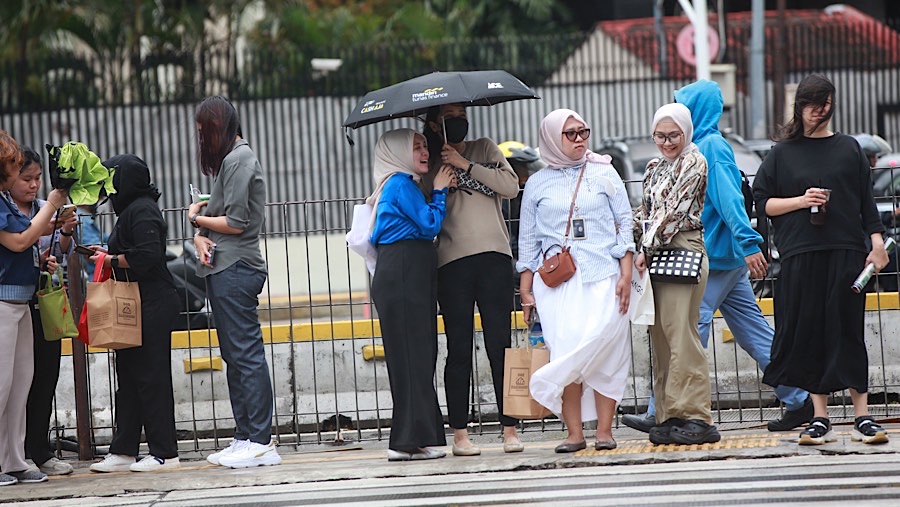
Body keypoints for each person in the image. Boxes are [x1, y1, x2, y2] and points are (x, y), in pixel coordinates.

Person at [622, 80, 813, 434]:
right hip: (722, 256)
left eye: (683, 104)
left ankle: (660, 409)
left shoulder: (709, 147)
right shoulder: (701, 145)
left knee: (686, 331)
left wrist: (748, 242)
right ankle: (800, 397)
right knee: (752, 331)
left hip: (711, 255)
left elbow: (729, 200)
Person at [752, 74, 890, 445]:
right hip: (801, 253)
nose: (819, 111)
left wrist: (876, 244)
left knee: (848, 329)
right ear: (800, 106)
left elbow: (866, 204)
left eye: (825, 103)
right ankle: (819, 417)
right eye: (812, 104)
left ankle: (862, 414)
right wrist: (801, 200)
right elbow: (762, 201)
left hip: (846, 249)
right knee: (810, 330)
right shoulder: (782, 153)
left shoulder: (848, 148)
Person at [517, 109, 635, 452]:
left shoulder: (604, 172)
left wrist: (626, 274)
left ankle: (604, 431)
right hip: (558, 285)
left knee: (605, 350)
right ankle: (574, 433)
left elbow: (624, 224)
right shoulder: (537, 183)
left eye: (583, 131)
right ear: (553, 139)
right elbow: (528, 241)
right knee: (567, 351)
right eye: (570, 134)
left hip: (604, 277)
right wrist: (525, 290)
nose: (580, 138)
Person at [421, 104, 523, 455]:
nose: (458, 119)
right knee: (458, 349)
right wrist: (440, 168)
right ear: (435, 123)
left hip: (494, 257)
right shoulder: (428, 159)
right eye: (449, 115)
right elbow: (423, 201)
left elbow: (509, 186)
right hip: (452, 263)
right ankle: (461, 434)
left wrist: (466, 165)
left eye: (461, 112)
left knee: (501, 345)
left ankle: (510, 429)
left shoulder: (484, 148)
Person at [188, 96, 281, 468]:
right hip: (226, 266)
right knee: (235, 355)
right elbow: (222, 215)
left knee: (245, 354)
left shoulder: (239, 159)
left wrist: (198, 220)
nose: (200, 140)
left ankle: (259, 439)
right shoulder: (232, 160)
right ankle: (246, 436)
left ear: (216, 128)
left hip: (237, 267)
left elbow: (238, 222)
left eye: (202, 132)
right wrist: (200, 226)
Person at [86, 154, 181, 473]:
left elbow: (148, 256)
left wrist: (111, 261)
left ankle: (165, 453)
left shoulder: (141, 209)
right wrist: (109, 255)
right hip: (137, 303)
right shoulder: (132, 210)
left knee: (151, 377)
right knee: (129, 377)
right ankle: (124, 449)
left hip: (152, 301)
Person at [633, 103, 720, 445]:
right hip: (656, 254)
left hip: (682, 248)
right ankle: (669, 413)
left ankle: (696, 415)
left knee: (681, 333)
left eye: (674, 135)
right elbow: (646, 210)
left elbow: (673, 212)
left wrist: (644, 248)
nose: (667, 142)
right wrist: (629, 238)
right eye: (660, 135)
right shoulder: (655, 167)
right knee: (662, 337)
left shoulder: (694, 160)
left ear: (687, 133)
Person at [368, 128, 454, 461]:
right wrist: (440, 192)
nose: (424, 153)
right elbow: (430, 224)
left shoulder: (403, 184)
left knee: (416, 355)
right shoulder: (400, 184)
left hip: (408, 270)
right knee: (411, 355)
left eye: (424, 147)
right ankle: (403, 441)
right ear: (398, 152)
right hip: (403, 269)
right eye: (416, 147)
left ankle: (416, 438)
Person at [0, 130, 68, 486]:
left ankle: (14, 457)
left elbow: (24, 245)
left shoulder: (7, 203)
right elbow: (20, 239)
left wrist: (39, 260)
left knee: (19, 384)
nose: (21, 175)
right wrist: (54, 205)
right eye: (14, 167)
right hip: (3, 302)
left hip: (21, 299)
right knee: (2, 383)